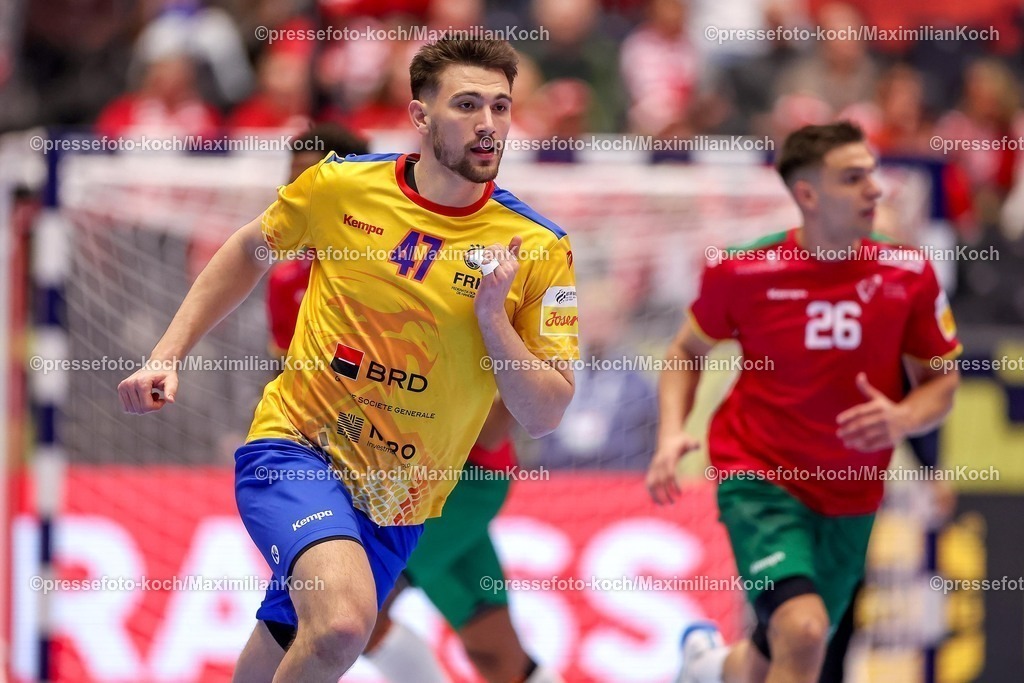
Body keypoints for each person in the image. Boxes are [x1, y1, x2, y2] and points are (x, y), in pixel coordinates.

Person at [118, 37, 578, 682]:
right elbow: (251, 248)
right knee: (342, 625)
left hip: (401, 499)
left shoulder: (541, 248)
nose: (487, 124)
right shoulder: (340, 187)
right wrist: (167, 355)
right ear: (420, 116)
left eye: (500, 107)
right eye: (467, 104)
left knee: (285, 643)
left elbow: (546, 414)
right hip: (298, 448)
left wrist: (494, 321)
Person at [646, 121, 961, 683]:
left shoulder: (909, 273)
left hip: (852, 494)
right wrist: (672, 430)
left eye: (872, 173)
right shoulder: (742, 270)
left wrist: (903, 417)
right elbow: (686, 351)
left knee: (782, 653)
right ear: (808, 194)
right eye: (853, 177)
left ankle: (706, 667)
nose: (875, 189)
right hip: (760, 476)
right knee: (805, 629)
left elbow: (942, 379)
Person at [265, 126, 562, 683]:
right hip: (365, 472)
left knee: (343, 615)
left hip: (461, 476)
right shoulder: (287, 280)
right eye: (296, 178)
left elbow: (504, 405)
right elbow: (297, 382)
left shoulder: (414, 255)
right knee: (496, 653)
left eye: (317, 177)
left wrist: (451, 439)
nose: (304, 189)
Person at [364, 397, 564, 683]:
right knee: (495, 652)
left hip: (460, 477)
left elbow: (503, 413)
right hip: (435, 475)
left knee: (359, 606)